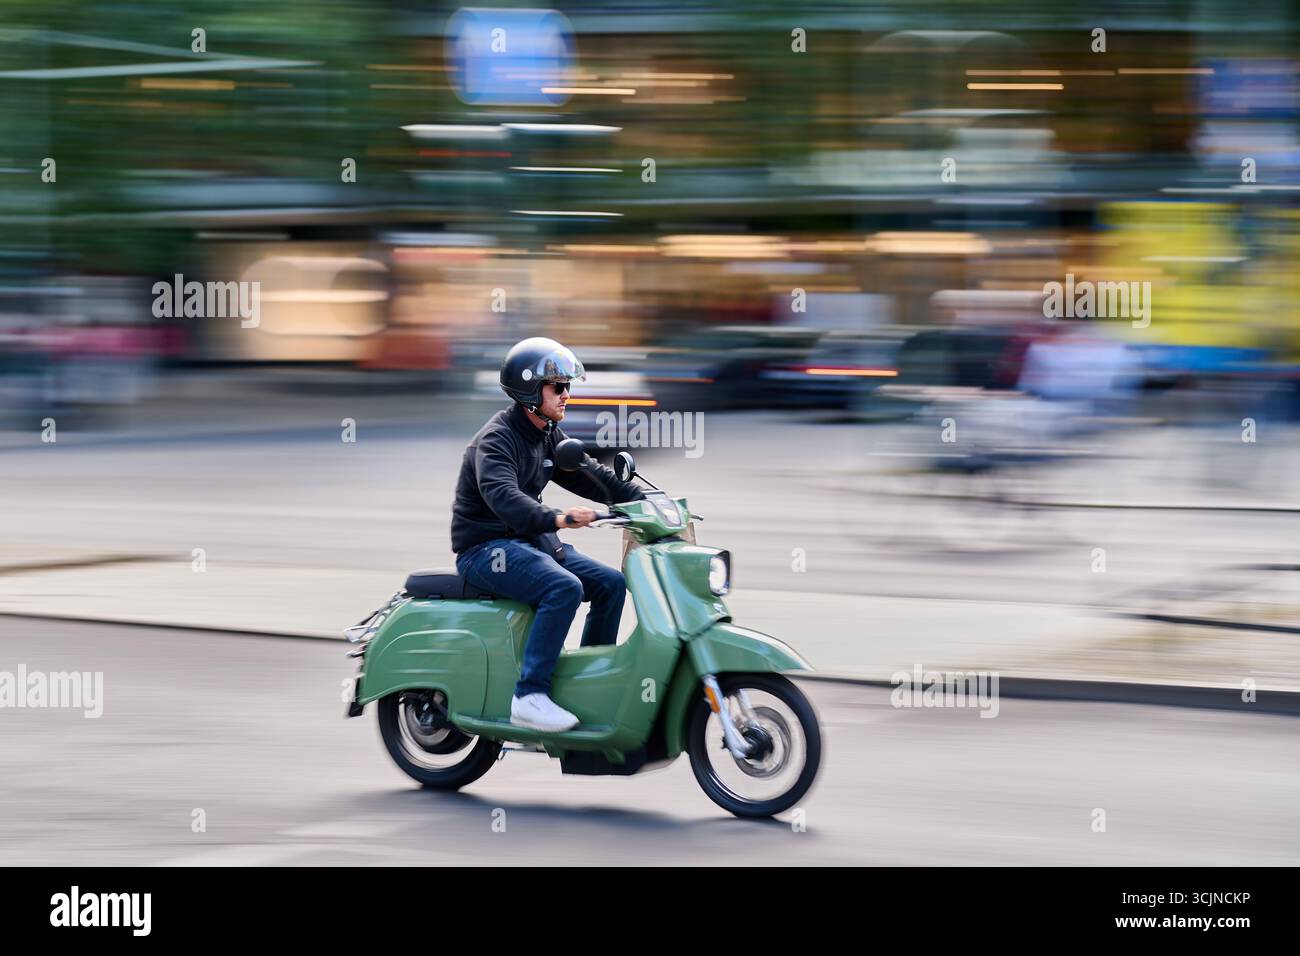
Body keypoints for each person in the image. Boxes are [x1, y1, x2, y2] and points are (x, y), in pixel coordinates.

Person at [450, 337, 645, 732]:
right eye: (558, 387)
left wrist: (648, 501)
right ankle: (530, 696)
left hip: (527, 542)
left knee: (611, 583)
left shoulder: (548, 433)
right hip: (486, 549)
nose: (566, 395)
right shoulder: (497, 439)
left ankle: (592, 681)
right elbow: (503, 497)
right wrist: (557, 518)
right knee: (564, 588)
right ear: (529, 391)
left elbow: (592, 476)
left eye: (568, 386)